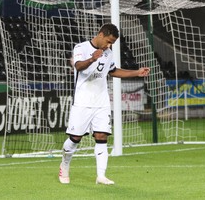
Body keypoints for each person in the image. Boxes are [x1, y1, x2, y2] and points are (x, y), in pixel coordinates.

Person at [58, 23, 150, 185]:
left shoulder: (109, 53)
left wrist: (136, 72)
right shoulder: (81, 47)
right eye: (108, 41)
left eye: (112, 43)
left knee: (101, 136)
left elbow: (113, 71)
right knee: (75, 138)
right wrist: (93, 57)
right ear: (101, 35)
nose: (109, 45)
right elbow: (78, 66)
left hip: (101, 102)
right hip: (82, 101)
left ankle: (101, 175)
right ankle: (64, 165)